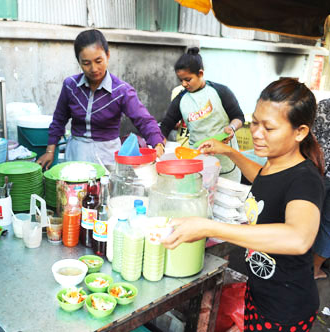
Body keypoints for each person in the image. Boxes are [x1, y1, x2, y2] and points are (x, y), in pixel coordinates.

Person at [161, 78, 325, 329]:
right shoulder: (275, 162)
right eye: (255, 122)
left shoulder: (306, 180)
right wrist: (227, 151)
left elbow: (299, 238)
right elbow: (263, 180)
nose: (256, 134)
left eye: (269, 128)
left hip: (285, 308)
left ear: (300, 132)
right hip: (260, 292)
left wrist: (210, 227)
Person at [36, 29, 165, 169]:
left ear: (107, 55)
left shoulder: (122, 91)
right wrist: (50, 151)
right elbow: (59, 120)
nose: (94, 68)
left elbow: (144, 120)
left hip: (107, 156)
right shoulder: (70, 86)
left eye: (99, 61)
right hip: (76, 154)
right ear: (78, 61)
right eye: (86, 63)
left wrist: (158, 143)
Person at [159, 47, 245, 182]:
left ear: (200, 73)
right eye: (180, 80)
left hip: (227, 161)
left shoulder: (220, 91)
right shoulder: (181, 100)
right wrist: (159, 145)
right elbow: (165, 126)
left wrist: (232, 128)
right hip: (199, 162)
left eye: (188, 79)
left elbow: (239, 117)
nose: (184, 84)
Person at [312, 97, 330, 279]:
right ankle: (314, 270)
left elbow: (311, 136)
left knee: (301, 214)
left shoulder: (325, 105)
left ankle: (287, 264)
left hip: (317, 170)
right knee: (328, 224)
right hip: (318, 172)